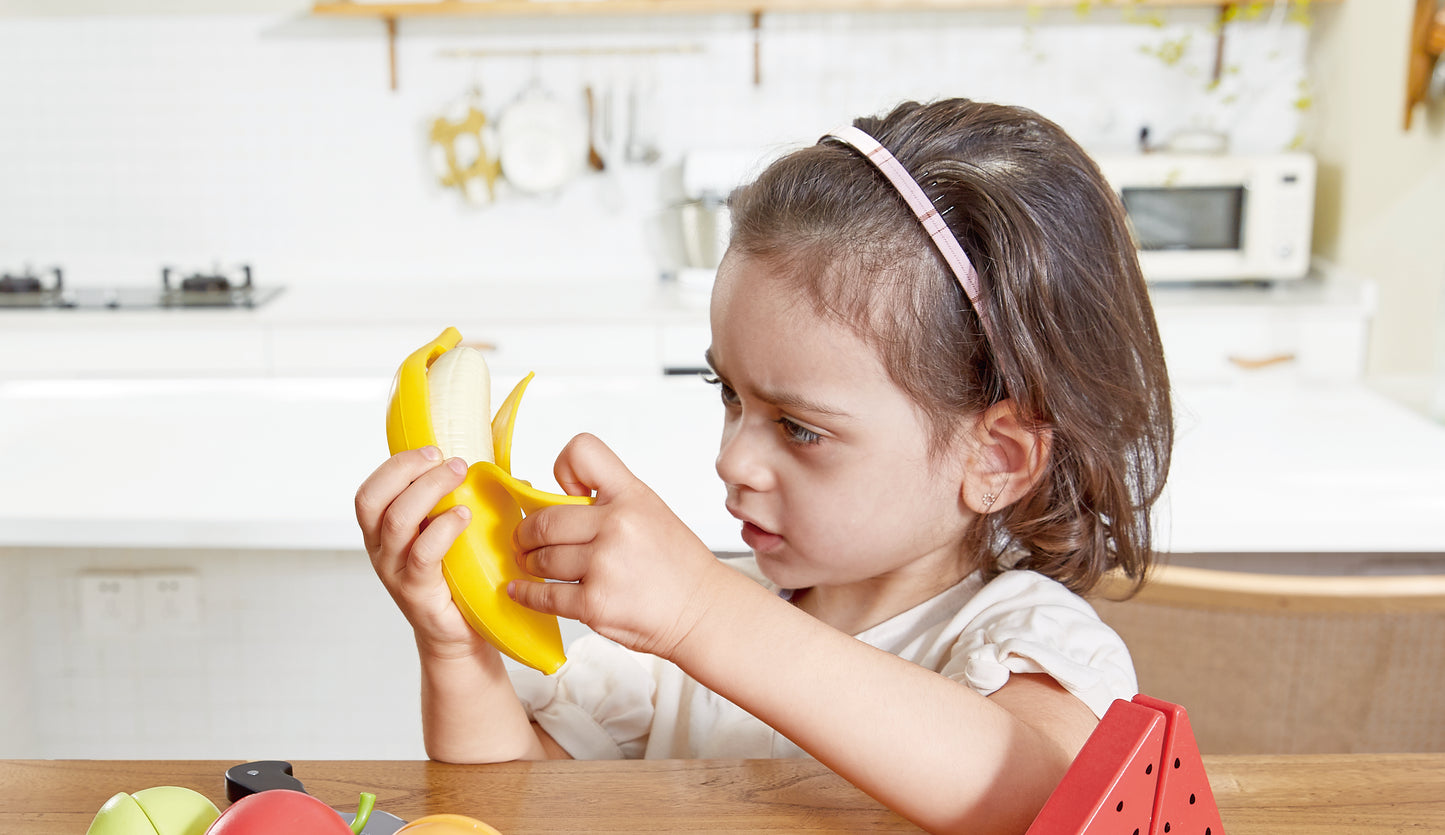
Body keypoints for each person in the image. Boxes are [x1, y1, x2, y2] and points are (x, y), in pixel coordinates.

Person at [356, 97, 1173, 835]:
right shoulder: (689, 640)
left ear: (993, 458)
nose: (733, 458)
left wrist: (701, 613)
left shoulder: (1022, 639)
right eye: (728, 394)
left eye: (800, 427)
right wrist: (459, 651)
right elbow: (516, 804)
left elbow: (1032, 794)